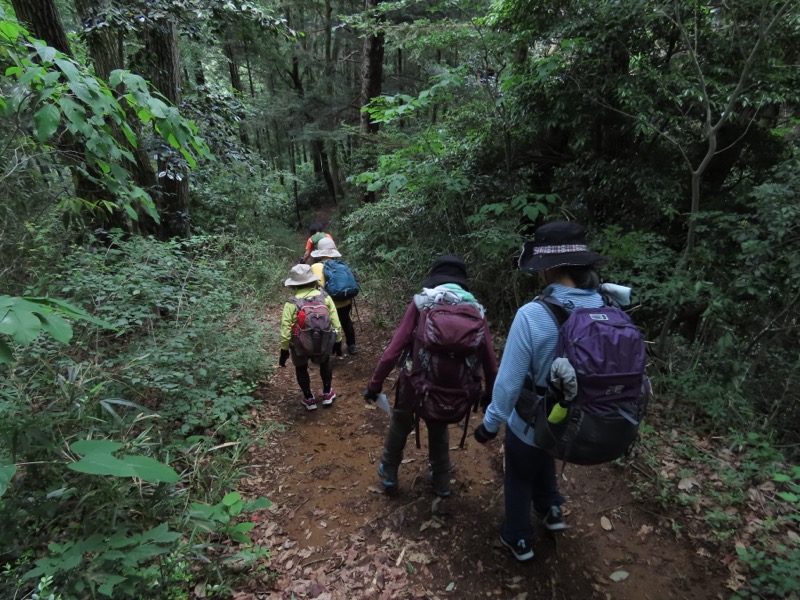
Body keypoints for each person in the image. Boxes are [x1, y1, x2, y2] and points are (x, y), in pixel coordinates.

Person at [473, 220, 607, 563]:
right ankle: (551, 509)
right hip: (583, 420)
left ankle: (517, 536)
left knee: (520, 468)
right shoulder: (606, 307)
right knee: (544, 453)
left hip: (538, 420)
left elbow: (509, 382)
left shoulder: (533, 314)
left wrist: (490, 423)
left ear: (547, 270)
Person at [363, 256, 498, 498]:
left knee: (400, 424)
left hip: (415, 384)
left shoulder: (423, 303)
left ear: (435, 280)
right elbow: (489, 361)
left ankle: (389, 473)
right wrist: (489, 396)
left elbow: (394, 349)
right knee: (438, 428)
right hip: (454, 389)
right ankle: (441, 480)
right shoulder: (476, 310)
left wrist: (375, 385)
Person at [279, 264, 343, 411]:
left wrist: (284, 350)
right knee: (325, 362)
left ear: (294, 284)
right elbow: (336, 322)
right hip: (323, 341)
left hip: (300, 344)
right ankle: (327, 393)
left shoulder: (291, 303)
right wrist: (338, 340)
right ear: (312, 280)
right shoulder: (324, 298)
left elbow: (285, 329)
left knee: (301, 367)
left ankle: (309, 398)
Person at [310, 237, 358, 356]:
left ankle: (332, 348)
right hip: (345, 300)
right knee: (345, 320)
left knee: (327, 324)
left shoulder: (315, 267)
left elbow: (317, 287)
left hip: (328, 303)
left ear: (319, 253)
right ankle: (351, 345)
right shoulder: (341, 265)